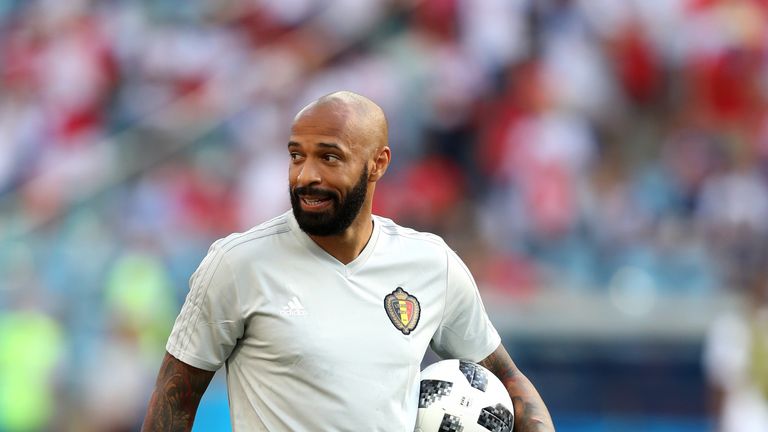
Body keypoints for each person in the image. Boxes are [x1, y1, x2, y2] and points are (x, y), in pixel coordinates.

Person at [141, 91, 555, 431]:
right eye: (296, 156)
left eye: (329, 157)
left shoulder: (431, 265)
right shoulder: (237, 264)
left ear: (378, 163)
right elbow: (174, 404)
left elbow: (509, 381)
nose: (306, 176)